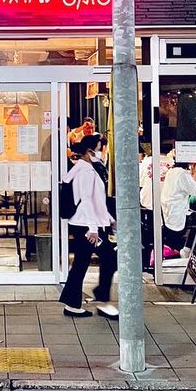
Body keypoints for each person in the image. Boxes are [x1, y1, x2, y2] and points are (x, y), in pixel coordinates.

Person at [59, 135, 118, 319]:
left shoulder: (83, 168)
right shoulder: (86, 171)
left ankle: (74, 303)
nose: (103, 153)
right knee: (108, 258)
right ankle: (99, 299)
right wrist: (93, 229)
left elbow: (96, 201)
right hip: (86, 226)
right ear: (90, 151)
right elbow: (86, 200)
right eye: (101, 149)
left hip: (85, 223)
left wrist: (109, 220)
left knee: (83, 262)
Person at [161, 161, 196, 252]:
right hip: (176, 211)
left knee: (171, 238)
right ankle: (181, 251)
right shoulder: (182, 174)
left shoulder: (172, 171)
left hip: (169, 210)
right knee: (176, 239)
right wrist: (195, 169)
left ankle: (175, 251)